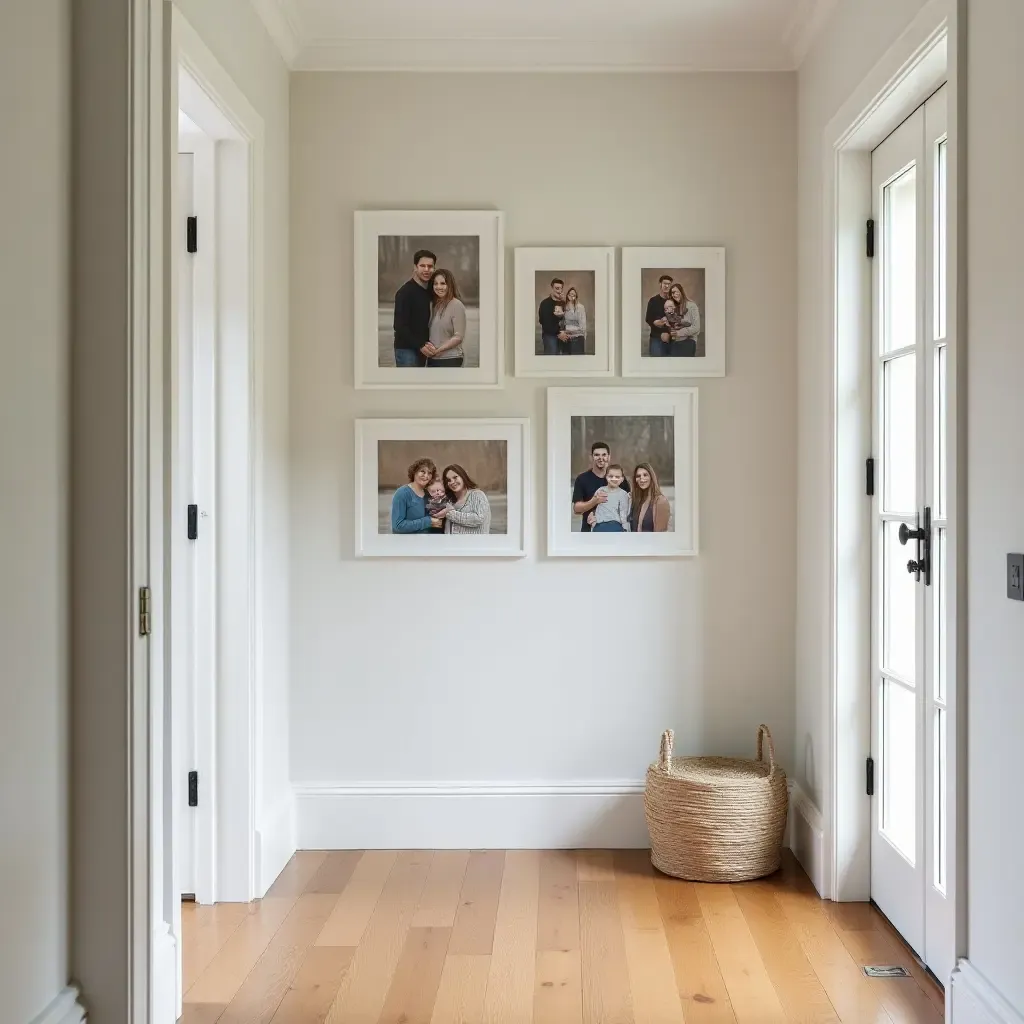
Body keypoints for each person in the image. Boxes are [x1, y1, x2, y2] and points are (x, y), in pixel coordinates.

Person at [572, 441, 630, 533]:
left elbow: (627, 506)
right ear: (591, 457)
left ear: (609, 457)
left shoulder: (618, 479)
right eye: (597, 455)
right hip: (589, 532)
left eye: (604, 455)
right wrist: (594, 501)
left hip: (616, 532)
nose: (601, 458)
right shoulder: (582, 479)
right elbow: (576, 509)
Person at [392, 249, 436, 367]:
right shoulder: (405, 293)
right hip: (406, 350)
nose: (426, 270)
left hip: (424, 348)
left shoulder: (430, 290)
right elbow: (399, 326)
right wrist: (420, 345)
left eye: (430, 266)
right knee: (408, 384)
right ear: (415, 267)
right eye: (422, 266)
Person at [390, 457, 446, 534]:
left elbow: (436, 523)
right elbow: (397, 526)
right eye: (422, 471)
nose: (426, 476)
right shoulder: (402, 493)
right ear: (414, 472)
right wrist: (428, 521)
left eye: (429, 473)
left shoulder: (429, 494)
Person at [425, 268, 468, 367]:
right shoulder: (434, 305)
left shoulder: (457, 305)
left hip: (450, 359)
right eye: (435, 284)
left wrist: (438, 350)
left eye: (443, 283)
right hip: (432, 359)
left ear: (450, 285)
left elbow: (458, 337)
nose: (438, 287)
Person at [442, 464, 492, 534]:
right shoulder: (450, 501)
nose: (452, 482)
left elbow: (478, 519)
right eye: (448, 480)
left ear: (463, 476)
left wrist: (450, 514)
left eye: (455, 477)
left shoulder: (477, 495)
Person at [629, 462, 671, 532]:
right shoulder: (635, 500)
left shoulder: (660, 501)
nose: (641, 479)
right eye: (638, 476)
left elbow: (660, 535)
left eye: (645, 475)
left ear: (652, 477)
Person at [591, 464, 631, 532]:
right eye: (611, 476)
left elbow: (623, 513)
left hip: (615, 525)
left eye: (617, 477)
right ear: (606, 477)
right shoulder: (600, 490)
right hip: (599, 525)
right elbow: (593, 505)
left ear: (622, 479)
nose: (614, 479)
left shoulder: (623, 494)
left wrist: (625, 529)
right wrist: (593, 522)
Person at [667, 282, 701, 357]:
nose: (673, 295)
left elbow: (696, 327)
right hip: (675, 342)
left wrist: (679, 333)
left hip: (688, 342)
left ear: (681, 291)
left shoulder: (692, 306)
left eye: (675, 292)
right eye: (671, 293)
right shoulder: (673, 308)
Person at [538, 278, 569, 356]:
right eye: (557, 288)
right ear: (552, 288)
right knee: (551, 358)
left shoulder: (563, 303)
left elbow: (566, 319)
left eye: (561, 288)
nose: (559, 291)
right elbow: (543, 322)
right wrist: (558, 333)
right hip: (550, 335)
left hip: (562, 334)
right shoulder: (545, 303)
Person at [645, 274, 673, 356]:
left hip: (671, 338)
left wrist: (669, 334)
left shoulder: (673, 301)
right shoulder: (653, 300)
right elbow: (648, 318)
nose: (667, 286)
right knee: (655, 364)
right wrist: (655, 323)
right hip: (656, 337)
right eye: (664, 283)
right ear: (660, 284)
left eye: (669, 284)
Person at [563, 285, 587, 355]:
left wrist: (571, 331)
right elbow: (563, 323)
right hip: (566, 338)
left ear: (576, 296)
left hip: (577, 338)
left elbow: (583, 325)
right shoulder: (564, 307)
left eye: (573, 294)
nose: (571, 296)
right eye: (570, 294)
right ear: (567, 295)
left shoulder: (580, 307)